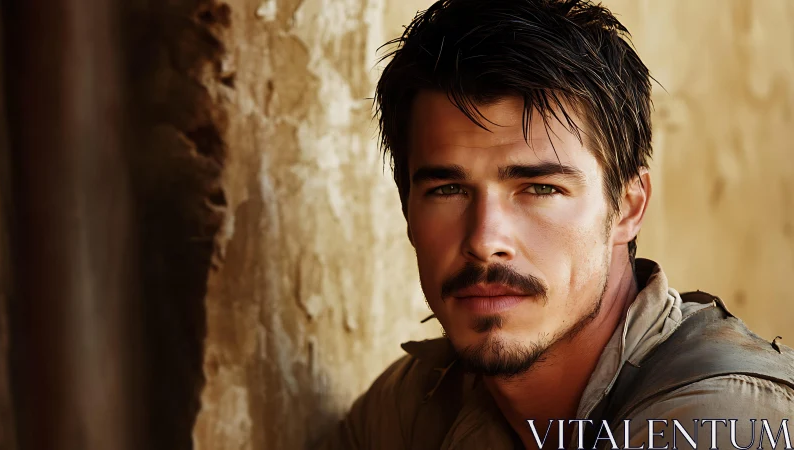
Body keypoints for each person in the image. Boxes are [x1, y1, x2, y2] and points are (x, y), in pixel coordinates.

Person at [317, 1, 794, 449]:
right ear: (407, 213)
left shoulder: (723, 418)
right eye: (447, 190)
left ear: (627, 207)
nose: (484, 242)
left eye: (540, 188)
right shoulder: (418, 404)